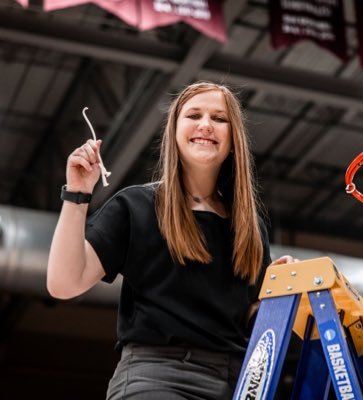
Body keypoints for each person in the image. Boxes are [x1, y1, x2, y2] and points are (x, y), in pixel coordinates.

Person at [47, 81, 296, 400]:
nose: (206, 124)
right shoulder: (135, 206)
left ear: (234, 141)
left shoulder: (250, 225)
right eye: (194, 115)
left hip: (238, 383)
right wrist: (77, 194)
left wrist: (282, 291)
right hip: (157, 377)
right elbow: (64, 283)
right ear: (174, 134)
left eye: (219, 119)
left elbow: (247, 318)